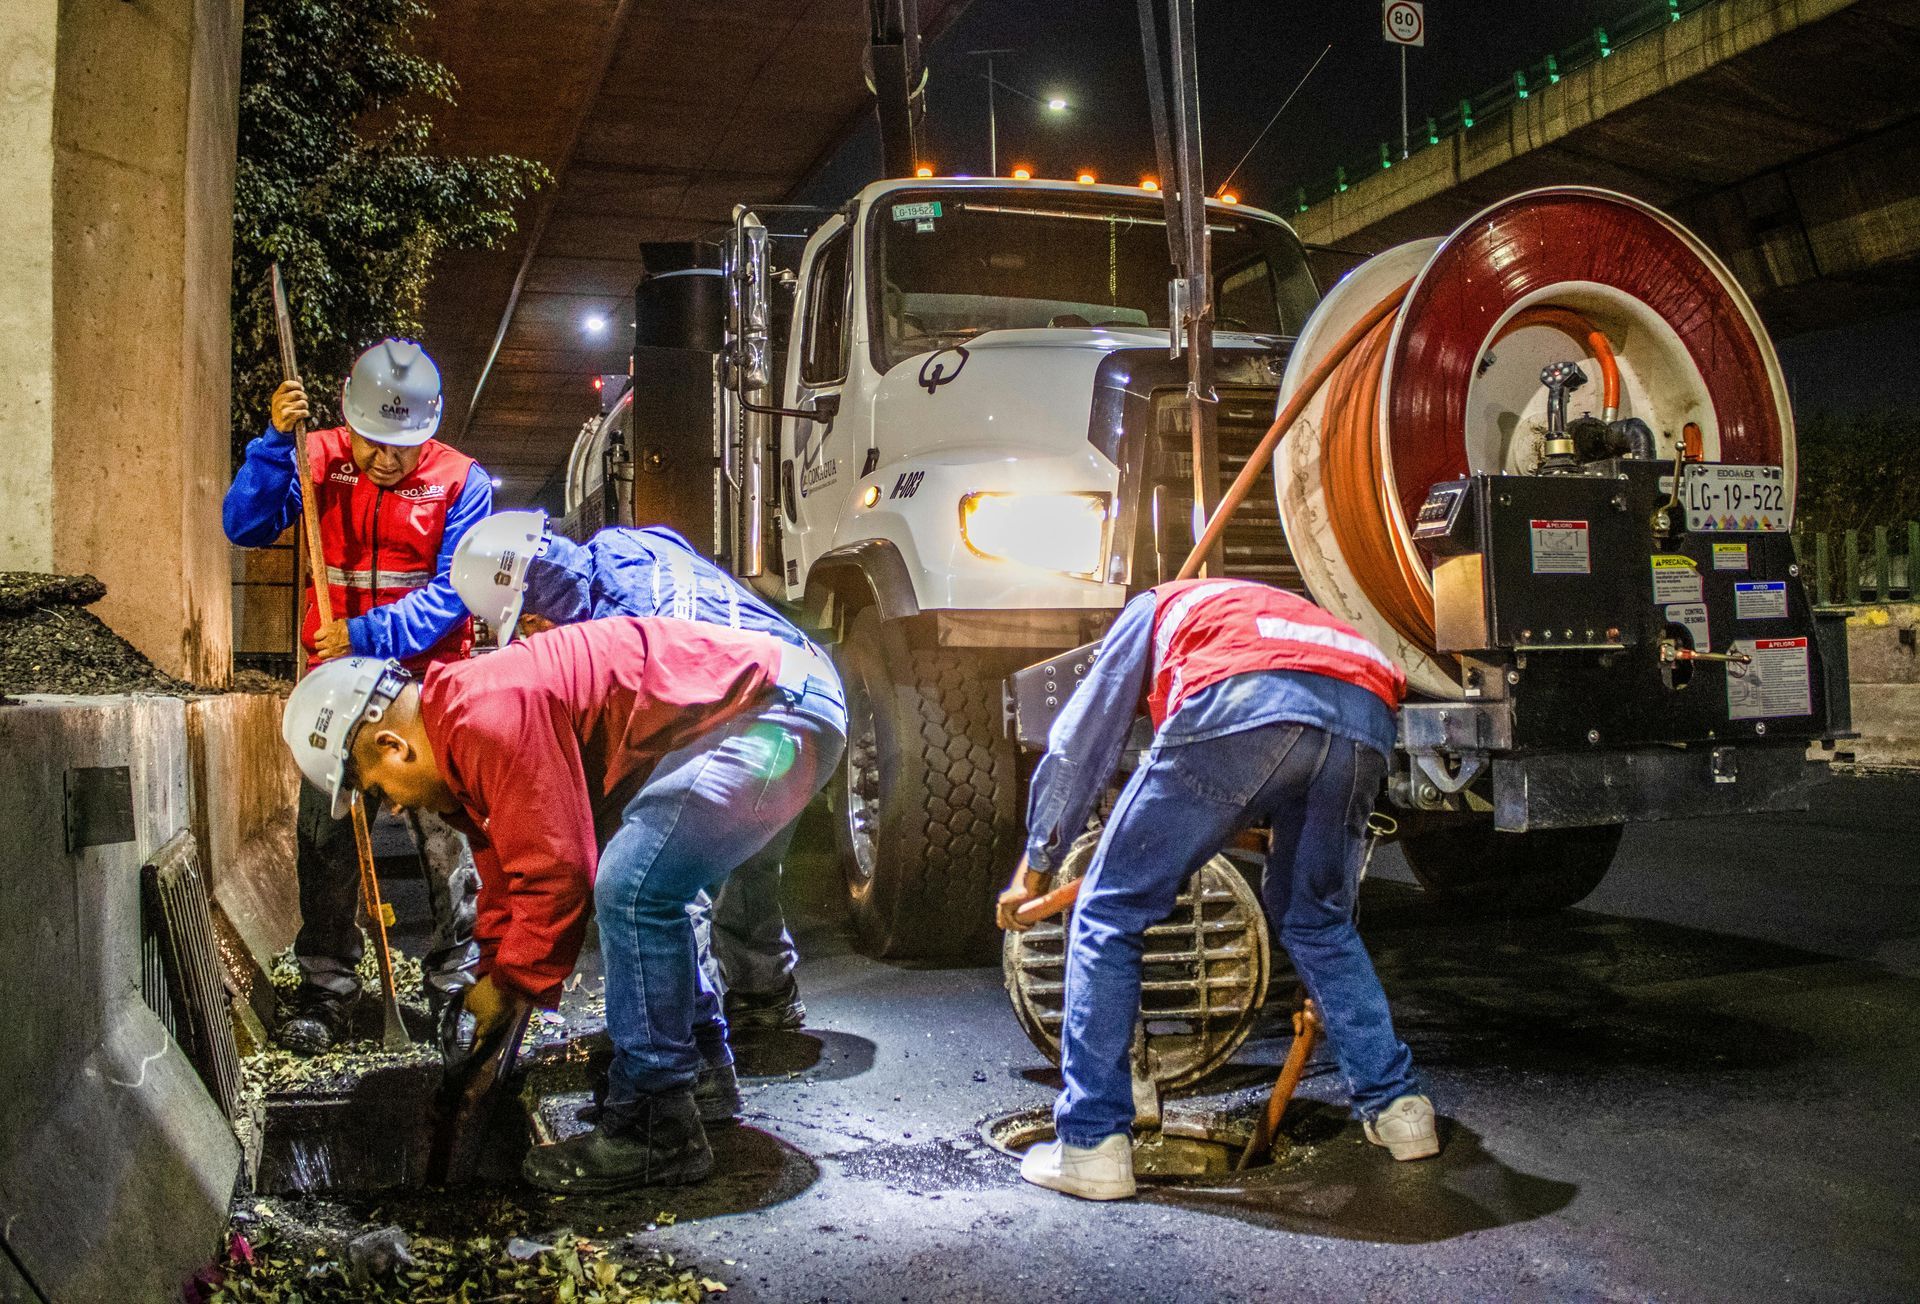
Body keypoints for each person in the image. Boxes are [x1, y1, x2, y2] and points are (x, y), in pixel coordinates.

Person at [279, 616, 843, 1192]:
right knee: (645, 879)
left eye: (376, 789)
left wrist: (509, 985)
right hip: (764, 706)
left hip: (776, 715)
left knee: (634, 887)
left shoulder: (489, 714)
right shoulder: (460, 728)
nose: (392, 809)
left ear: (392, 746)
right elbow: (511, 873)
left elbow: (561, 873)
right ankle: (695, 1070)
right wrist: (496, 968)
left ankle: (656, 1127)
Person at [998, 578, 1438, 1201]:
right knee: (1319, 922)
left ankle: (1091, 1143)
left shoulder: (1150, 606)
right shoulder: (1262, 608)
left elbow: (1083, 740)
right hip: (1366, 716)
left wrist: (1034, 868)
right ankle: (1400, 1109)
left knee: (1108, 909)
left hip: (1241, 701)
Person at [449, 510, 835, 1032]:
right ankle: (765, 994)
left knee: (662, 871)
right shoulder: (626, 544)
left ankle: (686, 1041)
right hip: (813, 687)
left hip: (759, 710)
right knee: (748, 856)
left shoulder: (614, 634)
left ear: (535, 620)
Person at [224, 338, 489, 1052]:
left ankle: (459, 992)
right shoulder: (315, 455)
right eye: (373, 442)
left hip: (429, 695)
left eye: (403, 445)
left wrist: (369, 633)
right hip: (336, 698)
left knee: (448, 846)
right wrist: (276, 445)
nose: (386, 460)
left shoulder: (463, 482)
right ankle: (327, 988)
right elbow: (244, 525)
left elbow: (456, 596)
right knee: (325, 839)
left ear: (430, 426)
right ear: (350, 419)